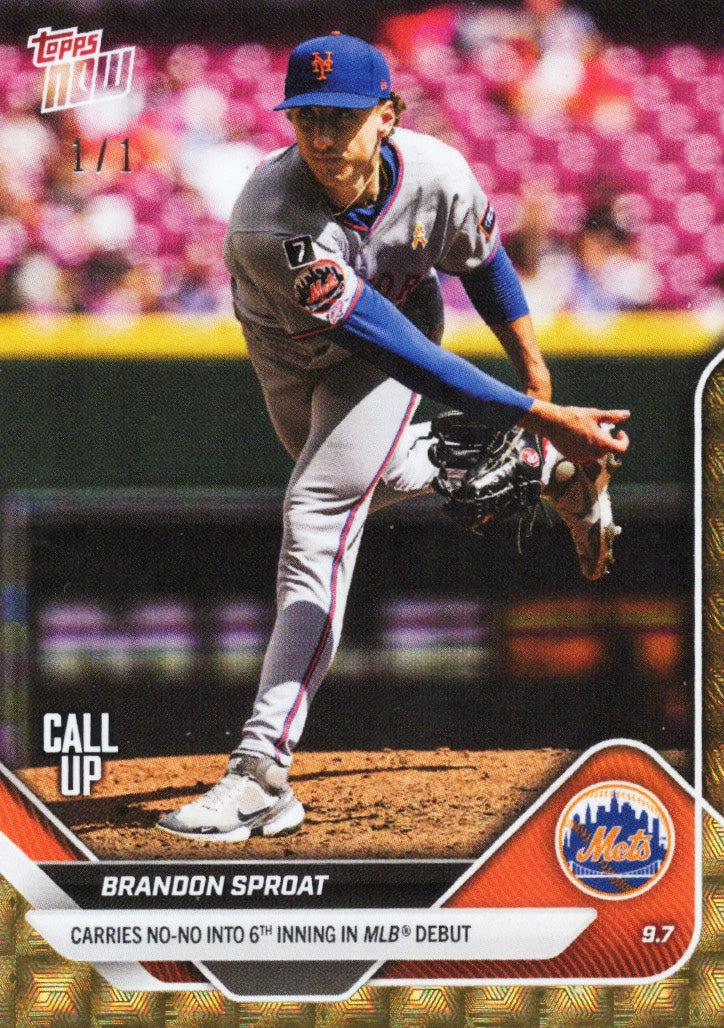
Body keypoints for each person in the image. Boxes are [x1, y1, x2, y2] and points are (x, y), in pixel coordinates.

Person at [158, 33, 629, 842]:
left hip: (391, 341)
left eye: (341, 117)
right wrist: (538, 423)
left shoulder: (437, 172)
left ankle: (261, 772)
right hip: (295, 361)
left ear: (387, 115)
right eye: (306, 116)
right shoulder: (270, 223)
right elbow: (396, 348)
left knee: (317, 513)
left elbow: (481, 261)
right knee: (358, 489)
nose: (322, 135)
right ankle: (543, 470)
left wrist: (534, 371)